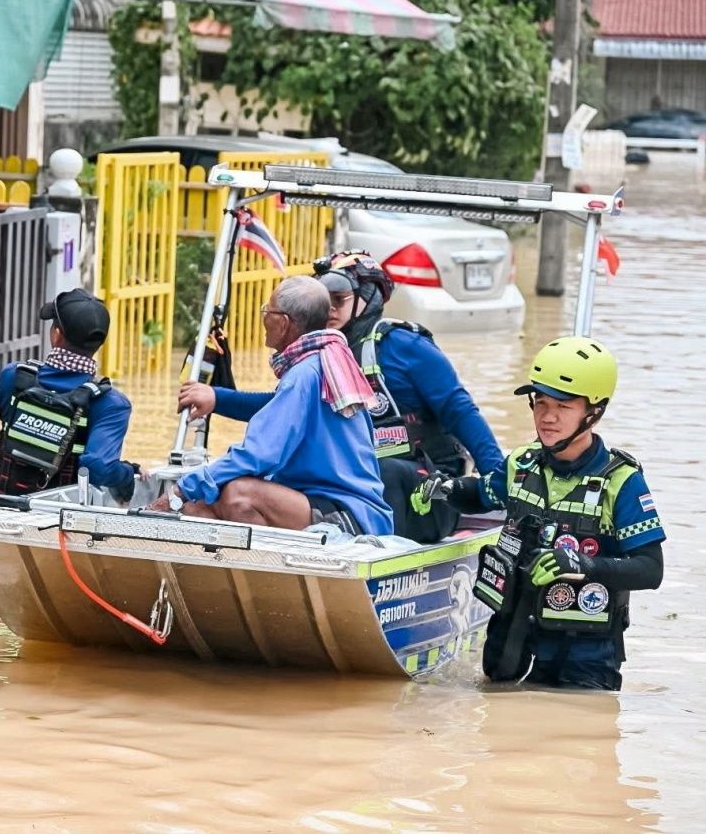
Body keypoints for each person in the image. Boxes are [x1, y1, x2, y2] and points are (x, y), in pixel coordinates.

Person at [420, 336, 665, 690]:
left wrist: (582, 565)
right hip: (511, 646)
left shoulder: (621, 482)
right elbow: (484, 494)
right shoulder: (521, 464)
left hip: (585, 659)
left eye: (563, 407)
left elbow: (651, 570)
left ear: (593, 411)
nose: (547, 417)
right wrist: (443, 489)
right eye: (541, 403)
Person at [152, 276, 392, 535]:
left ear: (284, 322)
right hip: (312, 498)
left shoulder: (305, 373)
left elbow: (259, 454)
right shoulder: (323, 361)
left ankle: (274, 573)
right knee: (197, 508)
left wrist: (179, 490)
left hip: (348, 511)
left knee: (237, 494)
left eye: (268, 311)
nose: (264, 317)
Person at [315, 250, 503, 542]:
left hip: (431, 491)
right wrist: (219, 398)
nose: (328, 308)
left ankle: (381, 560)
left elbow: (460, 410)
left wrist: (499, 480)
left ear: (370, 297)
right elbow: (282, 409)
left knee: (386, 472)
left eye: (338, 298)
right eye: (322, 299)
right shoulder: (321, 353)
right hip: (360, 479)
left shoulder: (404, 345)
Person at [0, 288, 139, 502]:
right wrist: (127, 474)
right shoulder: (110, 403)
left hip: (2, 501)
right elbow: (98, 467)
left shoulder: (14, 376)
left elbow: (6, 422)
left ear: (56, 335)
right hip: (62, 514)